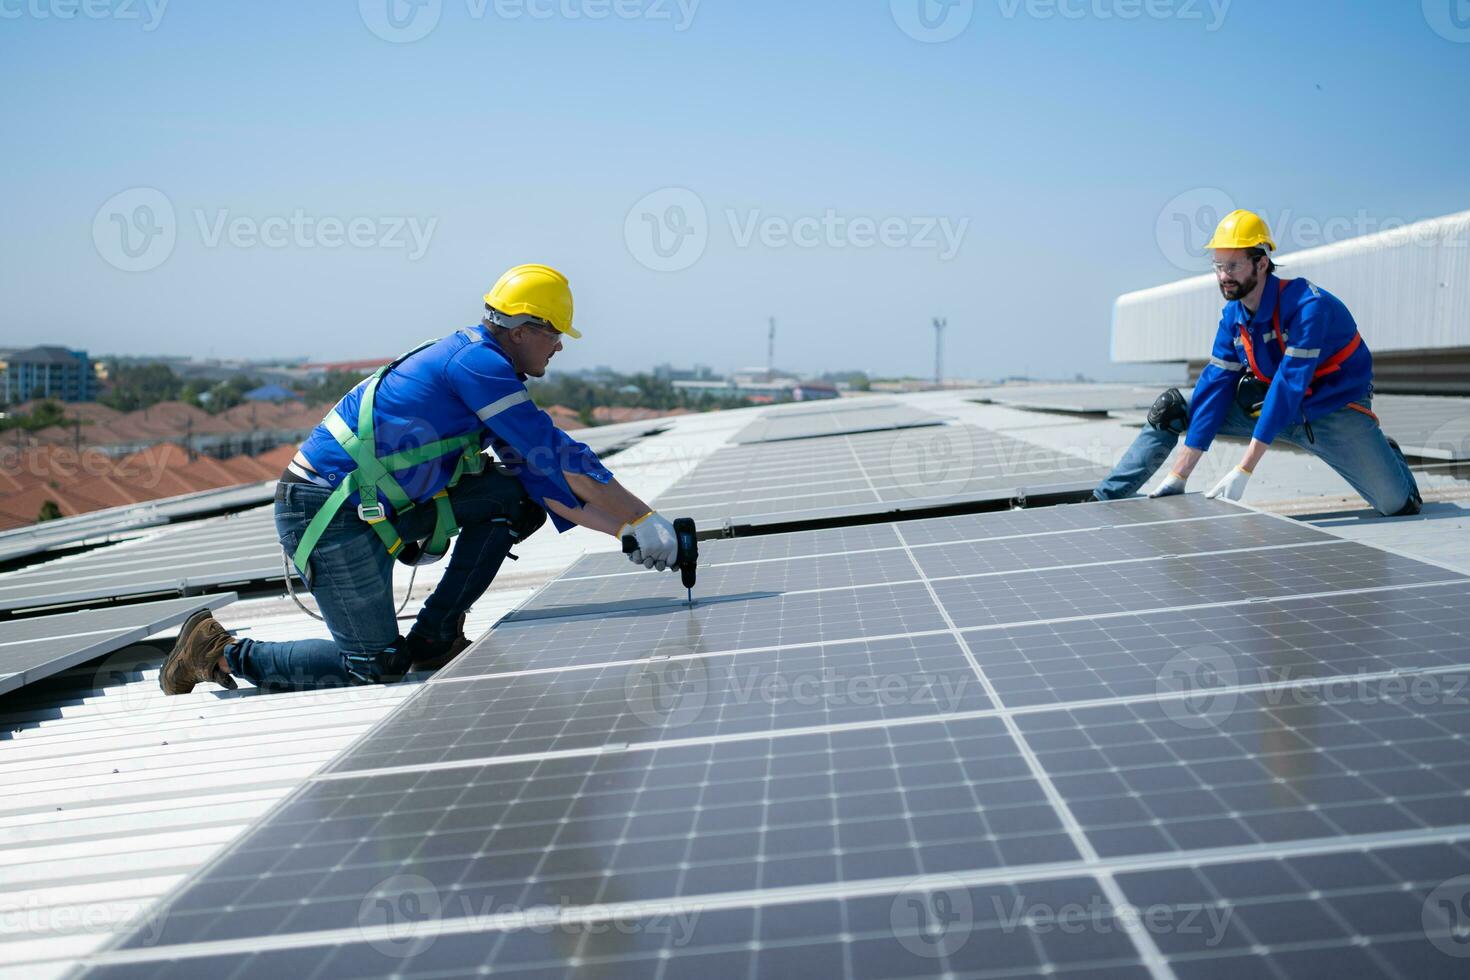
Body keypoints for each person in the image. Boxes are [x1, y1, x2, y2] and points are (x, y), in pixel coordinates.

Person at [160, 264, 681, 694]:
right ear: (522, 329)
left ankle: (436, 637)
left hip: (378, 507)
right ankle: (219, 653)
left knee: (514, 497)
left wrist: (625, 531)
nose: (560, 347)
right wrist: (644, 516)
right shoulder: (477, 365)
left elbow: (544, 479)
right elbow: (560, 455)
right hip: (326, 511)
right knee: (375, 666)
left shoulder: (484, 366)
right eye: (553, 334)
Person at [1094, 209, 1421, 516]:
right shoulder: (1233, 317)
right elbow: (1215, 389)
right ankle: (1104, 499)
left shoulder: (1309, 307)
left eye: (1233, 265)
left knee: (1396, 505)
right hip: (1266, 409)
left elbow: (1289, 385)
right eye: (1218, 265)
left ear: (1262, 263)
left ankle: (1385, 454)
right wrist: (1180, 474)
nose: (1224, 276)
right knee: (1171, 408)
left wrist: (1244, 467)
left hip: (1330, 412)